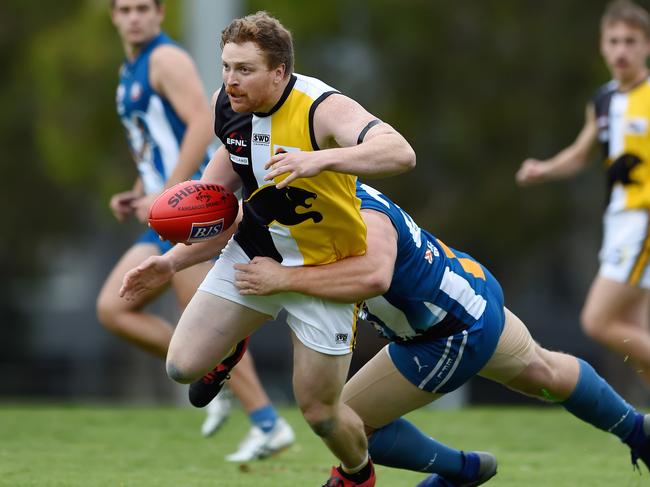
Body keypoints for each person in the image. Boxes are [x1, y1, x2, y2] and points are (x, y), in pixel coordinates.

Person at [122, 10, 416, 486]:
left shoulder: (321, 107)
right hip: (255, 253)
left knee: (319, 413)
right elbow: (218, 211)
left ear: (279, 72)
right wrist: (169, 262)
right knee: (180, 366)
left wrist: (317, 160)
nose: (230, 81)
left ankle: (357, 475)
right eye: (225, 67)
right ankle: (229, 348)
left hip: (326, 272)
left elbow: (401, 152)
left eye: (244, 69)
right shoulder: (228, 106)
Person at [232, 182, 650, 485]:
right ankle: (638, 430)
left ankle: (461, 472)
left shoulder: (360, 214)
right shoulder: (321, 201)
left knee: (345, 423)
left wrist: (282, 279)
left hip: (447, 330)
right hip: (468, 295)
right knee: (543, 370)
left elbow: (373, 275)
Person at [99, 0, 294, 457]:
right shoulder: (130, 70)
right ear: (113, 16)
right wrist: (139, 189)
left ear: (160, 12)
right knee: (115, 308)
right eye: (124, 9)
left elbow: (200, 125)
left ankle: (266, 423)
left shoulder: (165, 59)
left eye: (143, 7)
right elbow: (153, 141)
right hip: (164, 210)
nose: (134, 17)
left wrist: (170, 193)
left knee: (202, 321)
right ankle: (241, 398)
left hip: (191, 212)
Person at [516, 0, 650, 387]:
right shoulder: (604, 99)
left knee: (598, 320)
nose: (621, 50)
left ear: (645, 46)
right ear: (602, 46)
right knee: (632, 329)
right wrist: (544, 169)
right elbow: (580, 154)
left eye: (630, 41)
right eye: (614, 41)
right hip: (619, 220)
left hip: (642, 222)